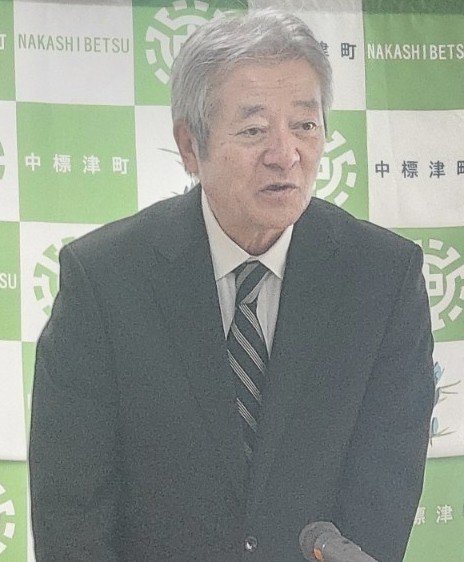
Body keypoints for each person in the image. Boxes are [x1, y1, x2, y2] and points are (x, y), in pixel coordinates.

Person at [29, 9, 435, 562]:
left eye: (305, 125)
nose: (285, 155)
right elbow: (71, 511)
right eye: (253, 130)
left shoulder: (382, 278)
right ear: (189, 145)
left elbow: (382, 499)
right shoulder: (104, 279)